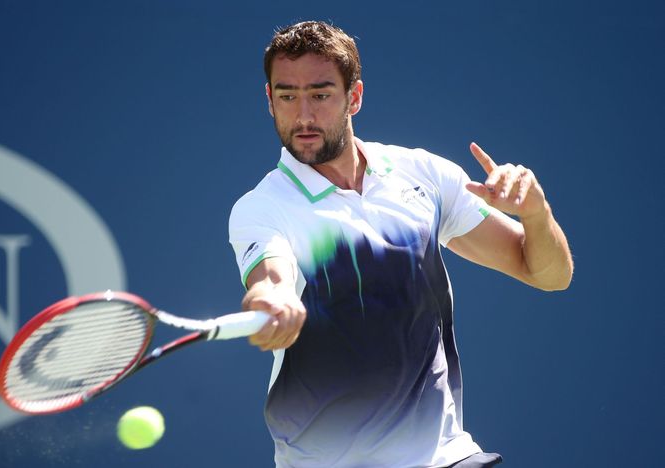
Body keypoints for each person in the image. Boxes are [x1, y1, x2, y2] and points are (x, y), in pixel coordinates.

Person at [229, 21, 573, 468]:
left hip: (448, 457)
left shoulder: (423, 175)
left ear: (354, 97)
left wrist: (535, 211)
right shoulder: (261, 207)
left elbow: (550, 275)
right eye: (287, 96)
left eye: (320, 94)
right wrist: (272, 299)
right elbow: (271, 278)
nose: (303, 116)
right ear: (269, 100)